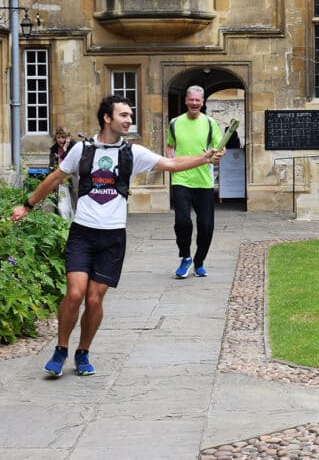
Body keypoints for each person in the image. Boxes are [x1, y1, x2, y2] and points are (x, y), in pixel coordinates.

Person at [11, 94, 225, 378]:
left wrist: (205, 157)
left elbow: (171, 164)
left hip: (113, 236)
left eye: (130, 115)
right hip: (83, 233)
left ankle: (83, 351)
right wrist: (27, 205)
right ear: (107, 118)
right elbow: (55, 178)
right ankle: (61, 349)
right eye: (124, 115)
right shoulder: (82, 150)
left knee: (95, 300)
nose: (129, 120)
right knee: (74, 293)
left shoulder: (133, 154)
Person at [166, 85, 222, 279]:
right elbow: (170, 145)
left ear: (203, 102)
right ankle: (185, 257)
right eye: (191, 99)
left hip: (203, 181)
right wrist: (172, 163)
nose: (194, 103)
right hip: (181, 179)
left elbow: (219, 148)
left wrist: (218, 155)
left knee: (207, 226)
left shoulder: (210, 123)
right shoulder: (174, 123)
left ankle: (199, 261)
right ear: (186, 101)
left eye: (198, 100)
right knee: (182, 222)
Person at [48, 126, 77, 219]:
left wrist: (65, 149)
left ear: (67, 138)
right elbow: (51, 166)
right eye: (58, 137)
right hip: (59, 181)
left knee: (73, 205)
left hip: (72, 180)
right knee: (61, 207)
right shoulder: (54, 149)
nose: (60, 140)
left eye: (63, 137)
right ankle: (64, 227)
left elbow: (70, 163)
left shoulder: (73, 147)